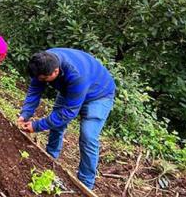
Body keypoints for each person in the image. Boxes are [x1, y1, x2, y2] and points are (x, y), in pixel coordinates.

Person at [16, 49, 116, 190]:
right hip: (70, 90)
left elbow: (68, 113)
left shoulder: (76, 75)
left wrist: (37, 126)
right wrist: (25, 114)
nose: (41, 81)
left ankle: (85, 184)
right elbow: (35, 90)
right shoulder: (42, 62)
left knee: (88, 136)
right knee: (56, 124)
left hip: (98, 95)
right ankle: (49, 157)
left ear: (55, 72)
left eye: (44, 79)